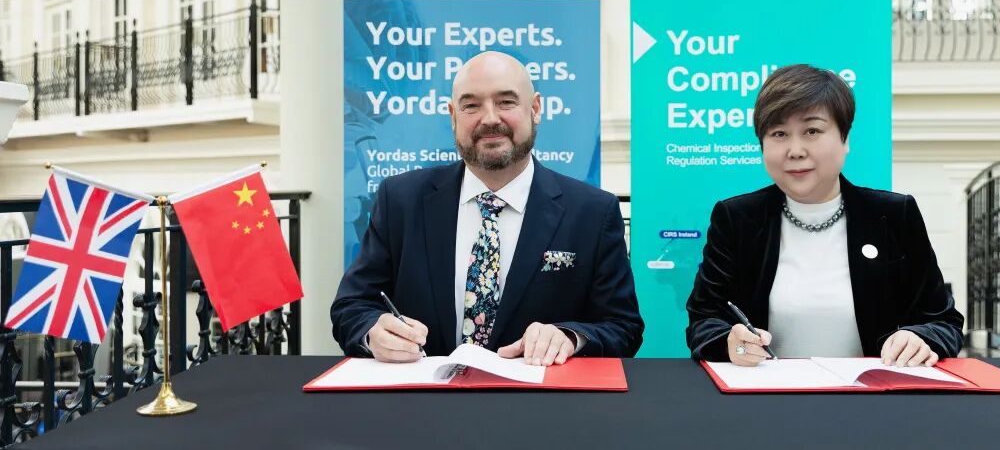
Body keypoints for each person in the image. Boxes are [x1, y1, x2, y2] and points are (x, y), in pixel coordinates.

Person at [332, 51, 643, 365]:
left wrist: (570, 337)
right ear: (453, 116)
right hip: (423, 394)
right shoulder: (400, 200)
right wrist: (373, 332)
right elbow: (352, 306)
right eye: (471, 105)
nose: (490, 118)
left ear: (535, 109)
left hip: (543, 394)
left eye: (506, 102)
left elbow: (623, 327)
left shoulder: (592, 212)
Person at [686, 64, 963, 367]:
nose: (795, 150)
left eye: (812, 131)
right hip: (765, 392)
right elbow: (704, 321)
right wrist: (730, 344)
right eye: (779, 133)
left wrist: (920, 337)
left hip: (873, 392)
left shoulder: (893, 215)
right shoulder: (736, 218)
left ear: (845, 139)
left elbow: (943, 322)